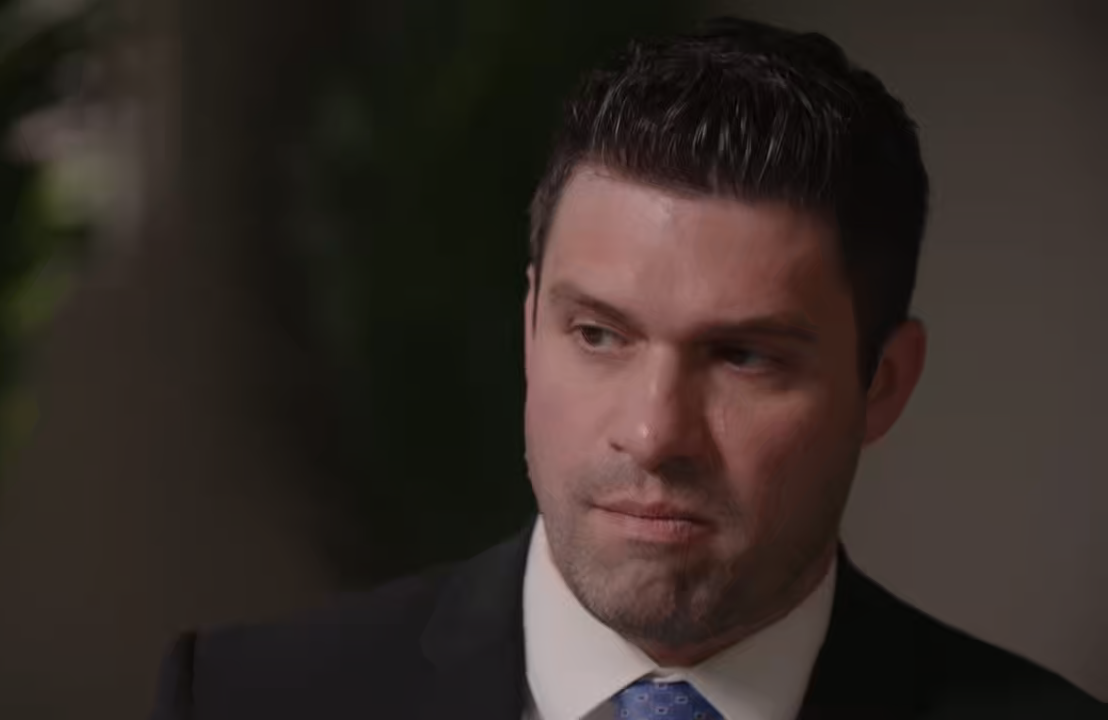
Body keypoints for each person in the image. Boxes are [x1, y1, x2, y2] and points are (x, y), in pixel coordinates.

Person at [149, 17, 1105, 720]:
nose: (653, 434)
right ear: (530, 325)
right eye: (599, 335)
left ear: (884, 383)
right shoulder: (240, 702)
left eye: (743, 356)